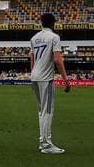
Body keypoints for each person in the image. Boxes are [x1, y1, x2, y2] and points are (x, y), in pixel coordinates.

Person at [29, 12, 70, 154]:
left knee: (41, 112)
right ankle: (46, 144)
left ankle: (43, 142)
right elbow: (58, 60)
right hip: (46, 78)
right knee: (48, 111)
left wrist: (33, 74)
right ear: (53, 23)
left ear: (41, 23)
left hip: (35, 76)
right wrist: (66, 80)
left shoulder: (34, 38)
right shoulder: (54, 37)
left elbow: (32, 59)